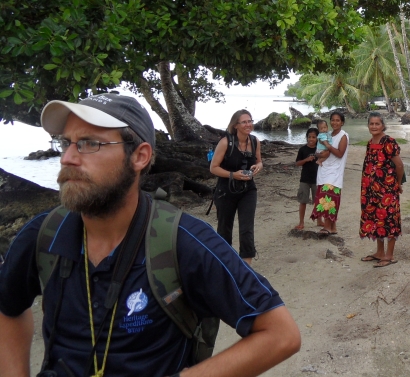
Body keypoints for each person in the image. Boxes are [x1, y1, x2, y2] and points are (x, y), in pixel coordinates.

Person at [0, 93, 300, 377]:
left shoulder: (183, 242)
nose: (67, 158)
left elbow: (280, 333)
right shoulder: (43, 235)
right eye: (65, 143)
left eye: (89, 144)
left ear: (140, 156)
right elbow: (8, 308)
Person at [209, 110, 263, 265]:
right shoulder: (226, 142)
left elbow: (259, 161)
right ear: (236, 125)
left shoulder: (254, 141)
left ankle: (246, 267)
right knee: (224, 229)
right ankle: (225, 264)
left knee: (247, 229)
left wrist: (259, 166)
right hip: (226, 190)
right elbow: (213, 168)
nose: (248, 124)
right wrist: (234, 175)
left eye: (250, 121)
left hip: (248, 190)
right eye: (244, 122)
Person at [359, 113, 404, 268]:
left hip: (387, 190)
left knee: (389, 219)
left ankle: (389, 255)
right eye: (371, 124)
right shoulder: (370, 142)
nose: (374, 126)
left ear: (383, 125)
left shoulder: (389, 141)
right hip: (370, 190)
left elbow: (399, 165)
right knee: (375, 219)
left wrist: (397, 184)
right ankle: (379, 252)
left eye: (377, 124)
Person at [310, 111, 349, 236]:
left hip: (335, 172)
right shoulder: (327, 134)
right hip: (324, 170)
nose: (335, 122)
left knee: (329, 198)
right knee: (327, 196)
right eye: (333, 120)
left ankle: (327, 227)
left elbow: (339, 153)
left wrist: (327, 145)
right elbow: (322, 150)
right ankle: (333, 227)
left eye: (338, 120)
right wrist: (318, 154)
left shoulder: (343, 136)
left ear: (342, 122)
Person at [294, 127, 319, 230]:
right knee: (303, 201)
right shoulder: (303, 149)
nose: (311, 139)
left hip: (317, 179)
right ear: (307, 137)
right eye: (309, 137)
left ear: (317, 138)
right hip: (304, 179)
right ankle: (301, 222)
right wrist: (306, 159)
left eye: (314, 137)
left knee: (317, 202)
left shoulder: (320, 149)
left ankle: (319, 221)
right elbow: (297, 163)